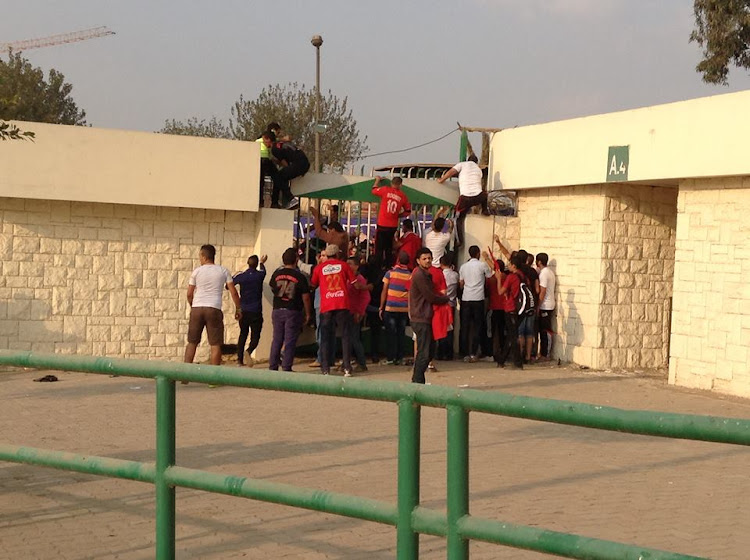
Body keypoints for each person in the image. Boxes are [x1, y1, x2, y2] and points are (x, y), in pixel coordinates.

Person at [184, 244, 241, 367]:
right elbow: (234, 292)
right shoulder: (223, 271)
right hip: (214, 308)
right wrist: (238, 308)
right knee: (215, 344)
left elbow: (189, 294)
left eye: (200, 255)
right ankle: (213, 379)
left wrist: (193, 305)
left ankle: (184, 376)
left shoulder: (197, 271)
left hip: (197, 308)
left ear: (204, 256)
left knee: (192, 342)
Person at [311, 244, 354, 376]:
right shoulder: (344, 266)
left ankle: (325, 369)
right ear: (337, 254)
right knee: (346, 336)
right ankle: (347, 367)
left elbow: (313, 283)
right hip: (342, 303)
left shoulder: (319, 268)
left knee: (325, 337)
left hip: (326, 305)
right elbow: (353, 281)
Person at [409, 248, 449, 384]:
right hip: (420, 317)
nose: (427, 261)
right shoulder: (419, 274)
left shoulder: (426, 274)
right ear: (418, 261)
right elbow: (430, 296)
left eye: (429, 258)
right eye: (424, 258)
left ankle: (418, 380)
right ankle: (417, 382)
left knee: (429, 351)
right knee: (424, 353)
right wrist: (445, 299)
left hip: (425, 317)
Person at [268, 248, 312, 371]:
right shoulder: (300, 276)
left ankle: (273, 365)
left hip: (277, 309)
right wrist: (308, 314)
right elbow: (306, 297)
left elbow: (272, 287)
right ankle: (286, 366)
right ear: (296, 260)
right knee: (290, 340)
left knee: (277, 339)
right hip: (293, 310)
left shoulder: (277, 274)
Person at [437, 154, 488, 247]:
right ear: (476, 162)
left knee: (457, 218)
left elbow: (451, 172)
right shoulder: (478, 169)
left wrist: (442, 179)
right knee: (485, 194)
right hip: (478, 196)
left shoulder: (462, 164)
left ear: (468, 160)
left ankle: (459, 240)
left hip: (465, 197)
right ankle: (485, 210)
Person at [458, 245, 492, 362]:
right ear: (478, 254)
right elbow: (490, 276)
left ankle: (464, 353)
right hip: (478, 298)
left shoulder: (463, 267)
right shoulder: (482, 265)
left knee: (465, 326)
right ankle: (473, 352)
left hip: (466, 298)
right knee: (478, 326)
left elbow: (461, 283)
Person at [233, 254, 267, 366]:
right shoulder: (259, 275)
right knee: (255, 335)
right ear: (256, 264)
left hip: (243, 310)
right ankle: (249, 351)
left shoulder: (242, 276)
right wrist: (262, 262)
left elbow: (229, 285)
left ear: (248, 263)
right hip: (256, 311)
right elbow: (263, 270)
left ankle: (239, 359)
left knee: (243, 334)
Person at [379, 251, 412, 365]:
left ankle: (390, 358)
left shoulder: (390, 273)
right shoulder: (410, 275)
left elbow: (384, 291)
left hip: (391, 307)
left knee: (390, 334)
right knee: (401, 334)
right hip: (404, 309)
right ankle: (400, 357)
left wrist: (381, 306)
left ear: (398, 260)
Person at [372, 176, 411, 267]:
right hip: (392, 225)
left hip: (382, 224)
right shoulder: (402, 196)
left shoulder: (385, 190)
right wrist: (398, 215)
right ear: (400, 185)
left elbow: (374, 190)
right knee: (389, 248)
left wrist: (377, 180)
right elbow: (408, 211)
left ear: (391, 183)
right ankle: (388, 267)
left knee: (379, 249)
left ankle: (377, 268)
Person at [496, 254, 525, 369]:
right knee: (511, 334)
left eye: (509, 264)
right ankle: (502, 360)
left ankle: (518, 362)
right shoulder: (522, 276)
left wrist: (499, 279)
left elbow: (500, 291)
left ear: (513, 265)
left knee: (512, 336)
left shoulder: (512, 277)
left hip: (511, 307)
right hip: (520, 308)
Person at [269, 138, 309, 210]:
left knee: (278, 177)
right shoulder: (282, 143)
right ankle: (276, 202)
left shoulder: (274, 149)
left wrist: (276, 162)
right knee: (283, 175)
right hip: (305, 162)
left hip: (298, 163)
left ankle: (289, 199)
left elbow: (286, 165)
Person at [347, 256, 371, 373]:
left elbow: (365, 297)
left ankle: (362, 363)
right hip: (347, 311)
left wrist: (359, 312)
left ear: (357, 266)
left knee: (354, 339)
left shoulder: (359, 279)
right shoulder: (347, 278)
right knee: (349, 339)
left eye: (351, 264)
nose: (348, 266)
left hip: (354, 313)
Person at [437, 253, 459, 360]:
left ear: (441, 264)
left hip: (441, 305)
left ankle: (441, 352)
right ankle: (449, 353)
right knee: (450, 329)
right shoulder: (455, 275)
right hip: (451, 304)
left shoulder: (440, 275)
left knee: (441, 328)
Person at [486, 259, 506, 365]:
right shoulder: (506, 277)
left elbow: (487, 291)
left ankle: (492, 352)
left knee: (492, 332)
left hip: (493, 307)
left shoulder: (491, 279)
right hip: (504, 308)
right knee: (502, 331)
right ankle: (503, 351)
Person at [536, 252, 556, 360]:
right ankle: (543, 352)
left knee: (545, 330)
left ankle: (545, 353)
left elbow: (542, 291)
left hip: (545, 305)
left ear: (539, 262)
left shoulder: (544, 274)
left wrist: (538, 305)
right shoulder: (550, 272)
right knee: (542, 329)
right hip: (548, 304)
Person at [256, 131, 277, 207]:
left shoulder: (264, 144)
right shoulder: (258, 143)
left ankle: (262, 201)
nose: (270, 145)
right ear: (265, 138)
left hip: (265, 161)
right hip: (261, 161)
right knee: (260, 182)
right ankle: (260, 201)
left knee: (262, 182)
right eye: (269, 143)